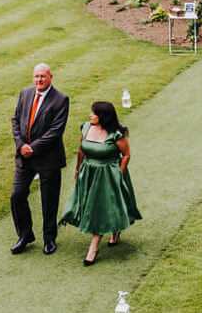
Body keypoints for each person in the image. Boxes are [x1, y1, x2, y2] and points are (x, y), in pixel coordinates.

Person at [59, 101, 141, 266]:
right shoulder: (86, 127)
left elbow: (126, 154)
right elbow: (82, 149)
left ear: (103, 117)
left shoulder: (117, 134)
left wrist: (119, 173)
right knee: (92, 205)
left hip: (108, 174)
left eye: (94, 113)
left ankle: (93, 248)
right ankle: (115, 231)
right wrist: (77, 170)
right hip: (88, 172)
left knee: (99, 209)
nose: (90, 115)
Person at [9, 63, 69, 255]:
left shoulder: (60, 100)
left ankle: (49, 239)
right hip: (24, 156)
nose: (39, 80)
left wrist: (32, 148)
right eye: (36, 76)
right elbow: (16, 121)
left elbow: (56, 131)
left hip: (48, 157)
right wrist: (21, 145)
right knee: (17, 196)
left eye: (43, 76)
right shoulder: (25, 93)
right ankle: (25, 235)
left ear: (51, 77)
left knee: (48, 200)